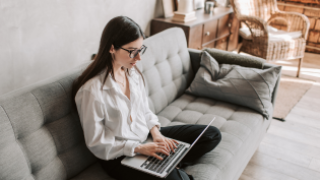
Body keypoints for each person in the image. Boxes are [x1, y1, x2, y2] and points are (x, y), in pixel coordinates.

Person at [72, 16, 221, 180]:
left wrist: (157, 134)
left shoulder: (132, 73)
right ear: (112, 48)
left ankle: (171, 162)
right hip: (119, 156)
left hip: (146, 138)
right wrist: (139, 149)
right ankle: (172, 169)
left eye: (140, 50)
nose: (139, 58)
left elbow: (144, 111)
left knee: (211, 134)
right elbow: (97, 143)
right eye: (132, 52)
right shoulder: (91, 91)